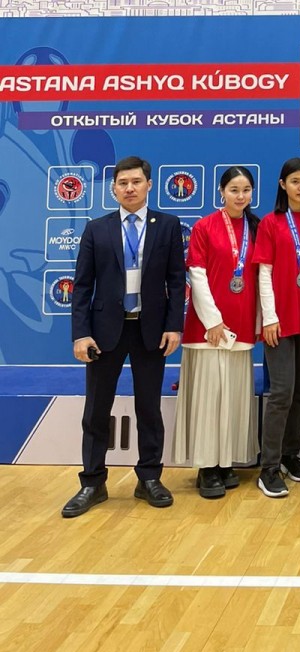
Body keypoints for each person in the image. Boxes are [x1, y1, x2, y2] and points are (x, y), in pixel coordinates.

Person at [61, 155, 186, 517]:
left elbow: (176, 280)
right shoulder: (96, 229)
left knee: (149, 407)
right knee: (97, 409)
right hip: (105, 332)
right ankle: (92, 482)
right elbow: (82, 286)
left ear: (149, 185)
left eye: (136, 182)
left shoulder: (167, 225)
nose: (129, 188)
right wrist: (81, 334)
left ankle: (149, 478)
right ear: (114, 189)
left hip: (150, 330)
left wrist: (174, 325)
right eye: (122, 183)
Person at [173, 165, 261, 498]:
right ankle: (207, 467)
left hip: (242, 324)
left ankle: (226, 462)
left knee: (234, 398)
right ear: (221, 192)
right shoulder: (204, 226)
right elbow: (196, 274)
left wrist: (259, 320)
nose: (240, 196)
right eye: (234, 190)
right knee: (208, 399)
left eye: (246, 190)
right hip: (207, 328)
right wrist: (212, 321)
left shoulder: (256, 228)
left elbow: (259, 277)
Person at [251, 157, 300, 499]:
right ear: (283, 185)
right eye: (295, 181)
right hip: (279, 321)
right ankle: (268, 467)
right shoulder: (271, 223)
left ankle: (289, 454)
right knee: (282, 391)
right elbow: (264, 272)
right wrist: (269, 317)